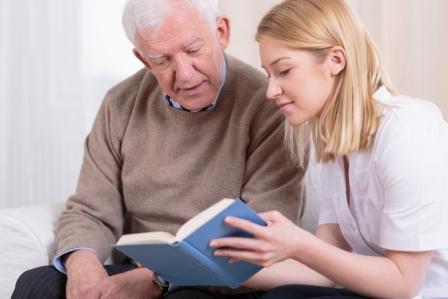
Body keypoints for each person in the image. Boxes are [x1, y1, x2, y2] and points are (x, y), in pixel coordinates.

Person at [12, 0, 306, 298]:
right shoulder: (120, 103)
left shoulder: (270, 105)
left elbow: (262, 236)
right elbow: (90, 210)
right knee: (35, 284)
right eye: (162, 60)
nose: (185, 74)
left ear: (221, 32)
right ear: (143, 59)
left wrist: (159, 279)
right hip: (138, 272)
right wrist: (83, 267)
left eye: (193, 50)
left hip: (223, 280)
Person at [210, 0, 448, 298]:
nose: (270, 90)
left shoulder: (407, 133)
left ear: (336, 60)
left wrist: (300, 243)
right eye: (269, 74)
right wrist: (218, 269)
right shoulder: (336, 147)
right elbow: (320, 272)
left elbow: (404, 283)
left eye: (283, 71)